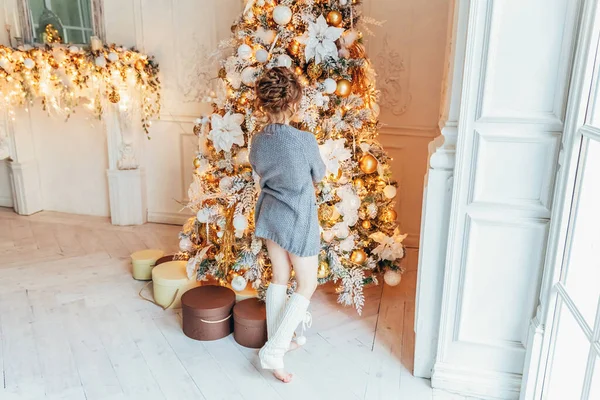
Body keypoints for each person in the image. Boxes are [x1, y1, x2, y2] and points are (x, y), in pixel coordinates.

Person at [249, 67, 326, 383]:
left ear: (265, 103)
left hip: (270, 214)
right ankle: (274, 351)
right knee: (307, 284)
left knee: (280, 277)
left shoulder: (257, 140)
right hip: (298, 217)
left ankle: (278, 346)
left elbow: (258, 167)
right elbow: (318, 174)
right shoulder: (304, 140)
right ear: (294, 104)